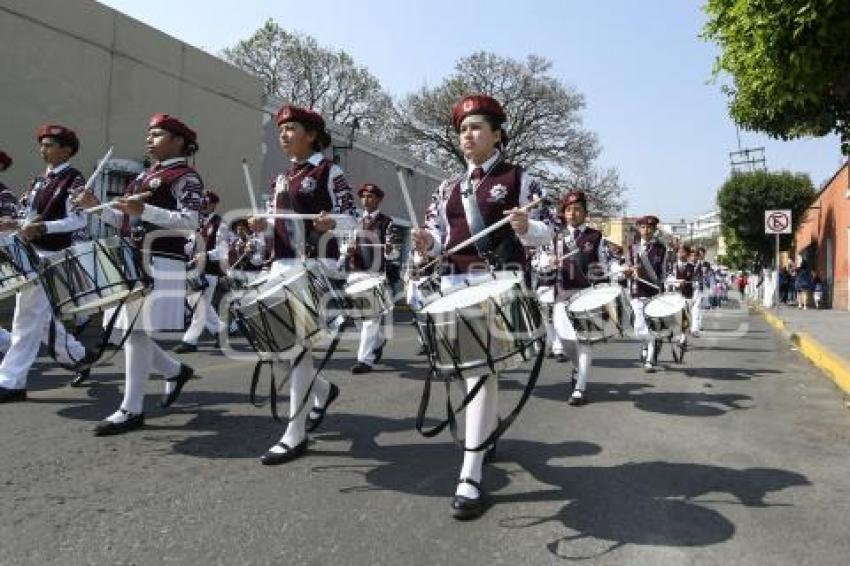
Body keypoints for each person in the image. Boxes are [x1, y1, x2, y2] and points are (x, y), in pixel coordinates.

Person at [412, 94, 553, 520]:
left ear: (496, 134)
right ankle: (484, 435)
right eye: (463, 129)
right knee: (464, 374)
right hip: (454, 286)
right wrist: (425, 243)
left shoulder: (520, 179)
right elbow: (439, 238)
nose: (467, 135)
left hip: (496, 284)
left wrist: (530, 227)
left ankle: (470, 473)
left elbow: (551, 232)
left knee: (478, 374)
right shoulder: (446, 188)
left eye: (476, 127)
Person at [75, 113, 201, 434]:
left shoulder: (185, 177)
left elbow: (190, 221)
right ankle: (174, 371)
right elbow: (125, 222)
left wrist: (144, 209)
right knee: (119, 330)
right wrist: (95, 205)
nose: (149, 139)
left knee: (135, 332)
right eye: (148, 133)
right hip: (133, 258)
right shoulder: (143, 177)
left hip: (159, 258)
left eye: (157, 134)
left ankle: (131, 408)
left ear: (178, 141)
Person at [248, 104, 357, 465]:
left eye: (291, 127)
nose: (283, 134)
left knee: (296, 350)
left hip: (314, 267)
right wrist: (259, 226)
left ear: (311, 134)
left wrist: (332, 224)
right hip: (280, 265)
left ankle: (295, 434)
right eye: (281, 129)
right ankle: (322, 390)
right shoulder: (281, 178)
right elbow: (271, 222)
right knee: (273, 347)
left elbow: (350, 218)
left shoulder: (330, 171)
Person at [0, 125, 93, 403]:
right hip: (31, 255)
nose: (43, 149)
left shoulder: (74, 180)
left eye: (50, 144)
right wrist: (14, 223)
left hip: (53, 256)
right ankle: (78, 357)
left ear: (66, 149)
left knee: (26, 317)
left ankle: (11, 381)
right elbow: (28, 218)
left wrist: (44, 229)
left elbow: (79, 219)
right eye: (42, 144)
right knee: (39, 320)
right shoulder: (39, 181)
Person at [550, 190, 612, 406]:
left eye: (577, 209)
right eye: (569, 210)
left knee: (584, 342)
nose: (573, 213)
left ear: (585, 212)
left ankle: (580, 387)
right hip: (562, 293)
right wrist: (547, 263)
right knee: (566, 341)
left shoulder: (596, 237)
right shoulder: (556, 236)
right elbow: (540, 262)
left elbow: (604, 264)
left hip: (587, 296)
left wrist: (603, 280)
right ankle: (577, 367)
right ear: (564, 213)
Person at [345, 183, 399, 374]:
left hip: (375, 275)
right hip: (354, 274)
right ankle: (378, 341)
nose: (366, 200)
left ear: (379, 199)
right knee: (359, 320)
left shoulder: (387, 222)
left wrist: (390, 251)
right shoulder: (355, 222)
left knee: (370, 319)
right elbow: (345, 246)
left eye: (370, 196)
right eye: (364, 196)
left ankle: (364, 360)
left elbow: (393, 253)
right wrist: (346, 250)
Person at [174, 189, 226, 353]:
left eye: (206, 204)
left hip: (209, 271)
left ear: (213, 205)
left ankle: (190, 341)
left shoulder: (220, 224)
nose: (203, 207)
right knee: (196, 303)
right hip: (195, 270)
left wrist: (206, 255)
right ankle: (220, 331)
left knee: (199, 306)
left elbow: (223, 249)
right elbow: (190, 245)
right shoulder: (199, 223)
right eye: (201, 204)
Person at [623, 215, 666, 372]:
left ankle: (650, 360)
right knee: (639, 328)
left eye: (649, 227)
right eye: (643, 227)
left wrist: (663, 288)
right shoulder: (632, 248)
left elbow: (663, 269)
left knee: (652, 325)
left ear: (654, 230)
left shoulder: (660, 249)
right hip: (636, 290)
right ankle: (651, 341)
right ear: (639, 229)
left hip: (653, 291)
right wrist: (627, 272)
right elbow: (626, 267)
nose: (646, 230)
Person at [666, 244, 696, 350]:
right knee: (673, 316)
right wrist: (677, 283)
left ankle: (683, 338)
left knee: (685, 317)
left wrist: (687, 283)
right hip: (674, 294)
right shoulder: (672, 266)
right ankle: (671, 332)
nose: (680, 254)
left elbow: (693, 279)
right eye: (678, 252)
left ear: (687, 254)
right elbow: (669, 278)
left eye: (683, 252)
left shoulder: (691, 267)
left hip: (687, 295)